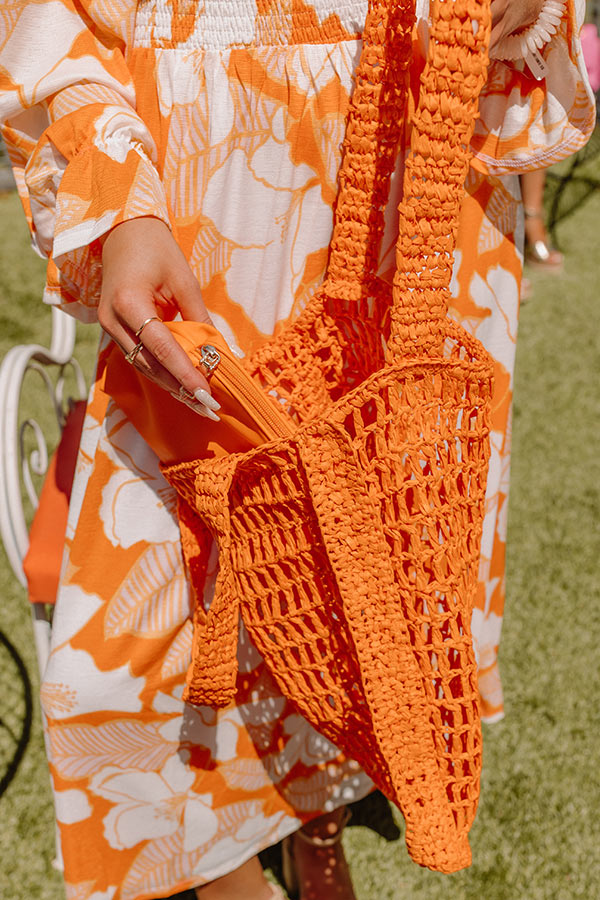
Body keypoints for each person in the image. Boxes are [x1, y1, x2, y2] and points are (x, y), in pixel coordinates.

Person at [0, 2, 593, 899]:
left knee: (370, 592)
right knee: (122, 683)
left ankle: (315, 822)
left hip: (413, 193)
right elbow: (56, 25)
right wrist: (117, 203)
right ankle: (239, 865)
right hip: (199, 202)